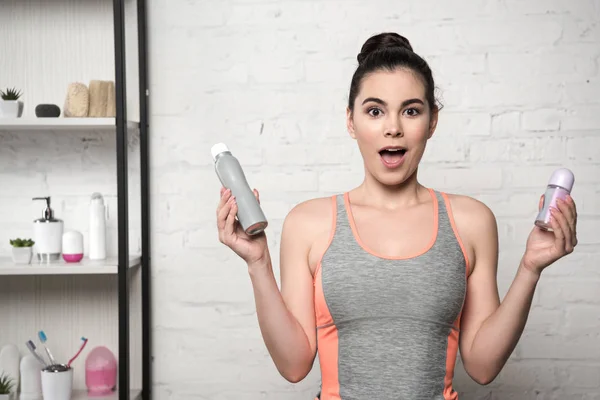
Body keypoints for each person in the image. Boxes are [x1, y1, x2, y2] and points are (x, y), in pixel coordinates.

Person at [215, 32, 578, 399]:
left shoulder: (471, 221)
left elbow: (483, 368)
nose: (393, 127)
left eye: (411, 110)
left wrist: (531, 267)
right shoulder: (308, 223)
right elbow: (294, 366)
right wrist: (258, 263)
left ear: (432, 121)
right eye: (375, 111)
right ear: (351, 122)